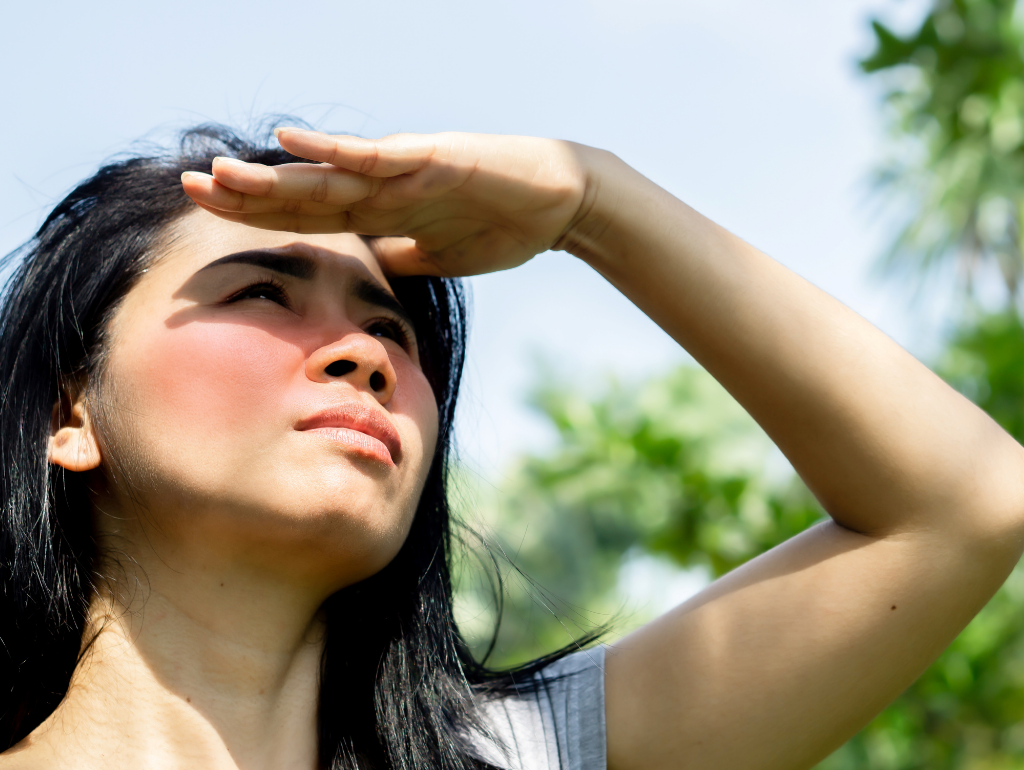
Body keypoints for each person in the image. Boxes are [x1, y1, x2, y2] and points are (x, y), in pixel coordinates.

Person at [0, 122, 1021, 770]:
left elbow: (965, 502)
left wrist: (592, 202)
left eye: (393, 328)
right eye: (262, 292)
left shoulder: (532, 754)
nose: (361, 353)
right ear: (69, 411)